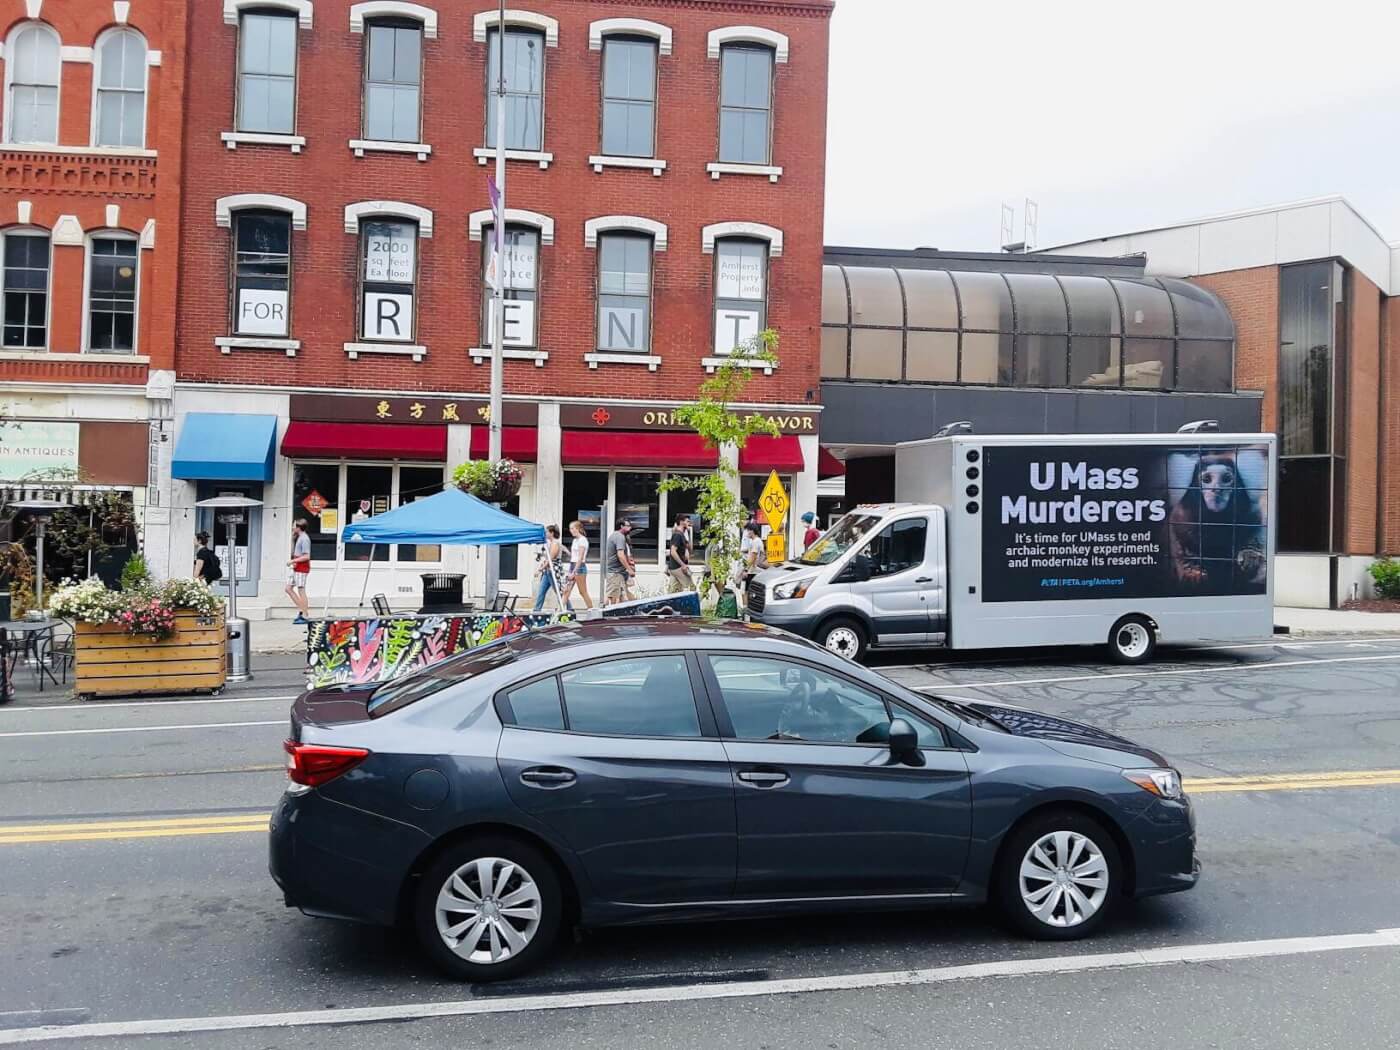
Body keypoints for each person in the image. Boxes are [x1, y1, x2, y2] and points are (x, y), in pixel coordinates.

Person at [559, 520, 594, 611]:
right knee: (566, 591)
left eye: (572, 528)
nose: (571, 530)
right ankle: (560, 611)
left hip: (579, 567)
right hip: (572, 565)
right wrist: (565, 550)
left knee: (582, 592)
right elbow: (574, 556)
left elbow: (580, 558)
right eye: (570, 528)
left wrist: (574, 572)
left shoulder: (583, 540)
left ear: (578, 529)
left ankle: (591, 610)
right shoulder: (575, 540)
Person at [285, 519, 312, 624]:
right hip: (296, 567)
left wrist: (293, 561)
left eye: (294, 526)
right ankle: (301, 610)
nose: (292, 528)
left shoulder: (304, 539)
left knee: (301, 590)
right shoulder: (299, 538)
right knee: (288, 588)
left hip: (301, 568)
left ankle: (305, 615)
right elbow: (293, 552)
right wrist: (292, 539)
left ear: (299, 527)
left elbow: (307, 556)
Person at [604, 518, 636, 605]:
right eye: (628, 526)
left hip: (619, 572)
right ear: (621, 526)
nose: (630, 528)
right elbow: (621, 555)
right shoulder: (620, 537)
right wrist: (629, 569)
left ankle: (634, 609)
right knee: (612, 596)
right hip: (615, 572)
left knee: (623, 594)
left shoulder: (616, 535)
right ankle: (604, 613)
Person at [533, 524, 565, 611]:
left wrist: (539, 570)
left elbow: (550, 560)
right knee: (541, 592)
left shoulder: (555, 544)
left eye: (547, 532)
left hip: (553, 571)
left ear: (552, 533)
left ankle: (568, 609)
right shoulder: (550, 543)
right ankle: (536, 611)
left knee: (559, 592)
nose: (545, 533)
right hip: (548, 572)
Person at [666, 514, 694, 593]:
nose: (689, 523)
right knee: (691, 589)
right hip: (678, 568)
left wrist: (689, 532)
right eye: (687, 521)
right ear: (681, 522)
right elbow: (673, 551)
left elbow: (690, 550)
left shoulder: (681, 535)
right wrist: (683, 565)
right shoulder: (677, 535)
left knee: (674, 592)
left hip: (674, 568)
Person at [738, 522, 763, 609]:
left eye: (748, 531)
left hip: (752, 571)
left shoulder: (756, 542)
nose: (747, 533)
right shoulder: (756, 541)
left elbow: (753, 556)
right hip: (753, 570)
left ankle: (746, 611)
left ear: (752, 531)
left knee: (745, 591)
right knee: (746, 591)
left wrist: (746, 570)